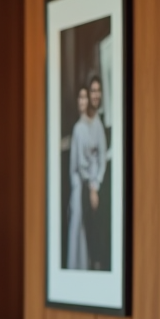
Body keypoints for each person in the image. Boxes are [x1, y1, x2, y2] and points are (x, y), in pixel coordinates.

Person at [79, 74, 108, 270]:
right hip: (90, 186)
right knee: (91, 229)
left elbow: (102, 155)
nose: (95, 95)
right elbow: (89, 158)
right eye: (93, 91)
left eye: (98, 91)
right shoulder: (85, 123)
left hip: (99, 184)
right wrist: (92, 186)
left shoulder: (100, 120)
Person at [67, 85, 91, 270]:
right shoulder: (77, 128)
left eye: (85, 97)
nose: (83, 101)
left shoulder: (87, 127)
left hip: (83, 184)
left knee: (82, 229)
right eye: (80, 97)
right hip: (77, 186)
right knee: (76, 228)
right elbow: (75, 163)